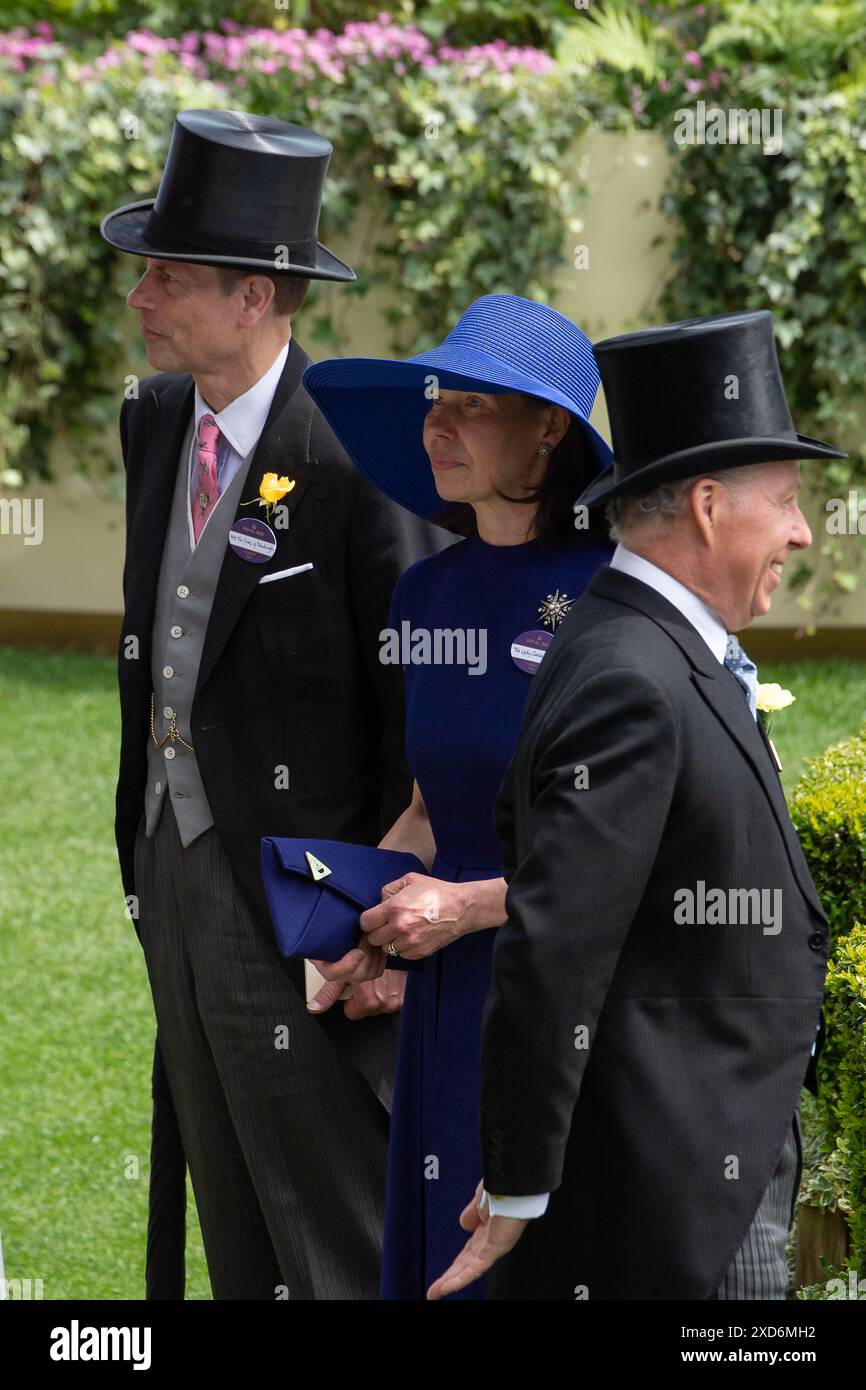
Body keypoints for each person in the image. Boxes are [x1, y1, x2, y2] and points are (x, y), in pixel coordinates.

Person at [428, 309, 845, 1301]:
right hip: (683, 1210)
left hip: (712, 1166)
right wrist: (521, 1180)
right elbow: (552, 946)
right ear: (706, 505)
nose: (796, 530)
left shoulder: (654, 646)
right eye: (784, 502)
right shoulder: (632, 674)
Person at [101, 109, 442, 1300]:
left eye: (170, 276)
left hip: (306, 897)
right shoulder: (152, 422)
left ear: (256, 297)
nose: (140, 296)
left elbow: (418, 709)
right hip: (171, 858)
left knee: (330, 1223)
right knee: (229, 1201)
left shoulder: (352, 458)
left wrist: (383, 910)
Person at [302, 293, 614, 1299]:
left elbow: (626, 853)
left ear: (548, 427)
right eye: (434, 402)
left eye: (470, 405)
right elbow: (431, 811)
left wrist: (467, 905)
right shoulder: (423, 595)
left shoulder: (611, 597)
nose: (435, 424)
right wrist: (358, 918)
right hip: (444, 1004)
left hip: (553, 994)